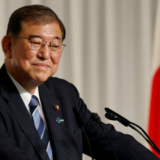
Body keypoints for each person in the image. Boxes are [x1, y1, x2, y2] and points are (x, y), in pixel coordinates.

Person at [0, 4, 158, 160]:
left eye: (55, 45)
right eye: (35, 42)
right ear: (8, 45)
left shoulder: (63, 94)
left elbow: (107, 141)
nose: (46, 54)